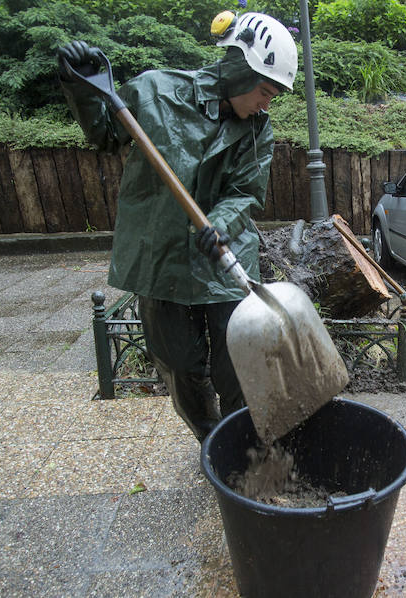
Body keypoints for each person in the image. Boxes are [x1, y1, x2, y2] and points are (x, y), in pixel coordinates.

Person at [58, 11, 298, 442]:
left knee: (238, 363)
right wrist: (79, 87)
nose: (267, 104)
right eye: (265, 91)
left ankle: (244, 447)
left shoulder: (259, 130)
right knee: (179, 365)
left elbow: (246, 191)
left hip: (225, 258)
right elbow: (104, 133)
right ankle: (212, 443)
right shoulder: (156, 92)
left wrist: (220, 224)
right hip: (163, 254)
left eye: (274, 96)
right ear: (239, 69)